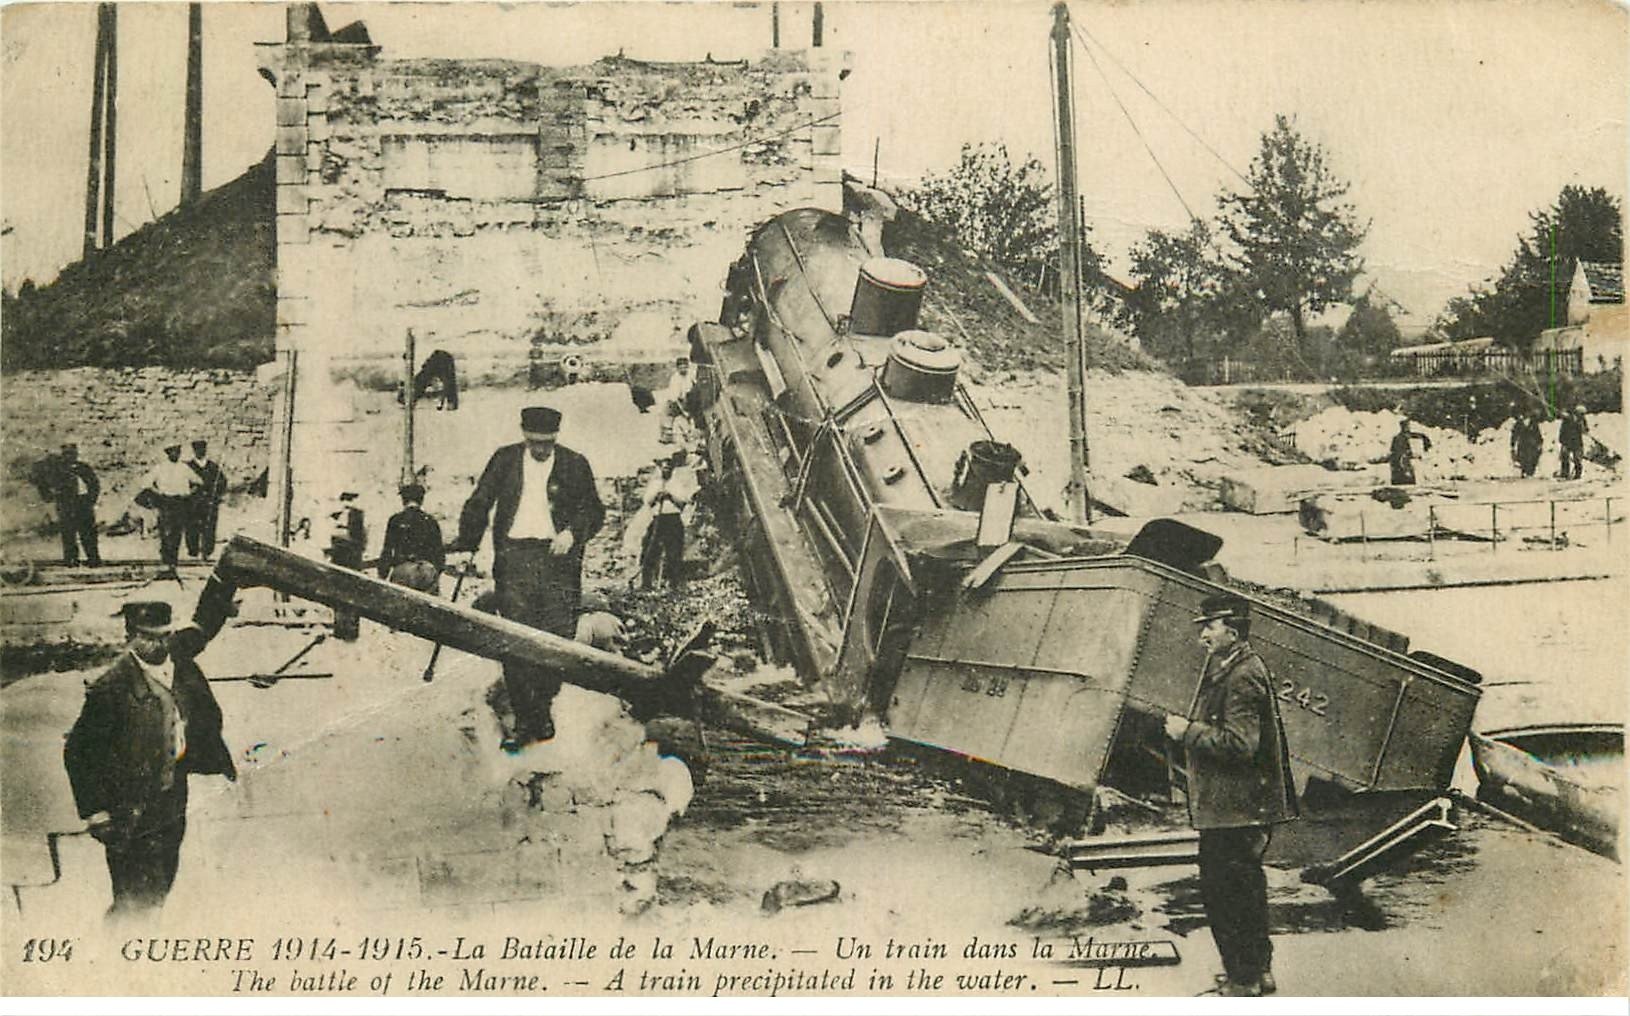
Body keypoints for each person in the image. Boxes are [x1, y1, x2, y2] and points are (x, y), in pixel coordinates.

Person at [63, 599, 236, 917]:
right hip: (128, 804)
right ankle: (121, 940)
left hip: (172, 794)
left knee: (162, 879)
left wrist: (224, 592)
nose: (159, 644)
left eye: (164, 635)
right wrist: (95, 812)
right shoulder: (111, 687)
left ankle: (139, 930)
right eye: (149, 637)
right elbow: (78, 749)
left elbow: (202, 629)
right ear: (131, 636)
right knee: (132, 892)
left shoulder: (179, 658)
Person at [1163, 593, 1297, 997]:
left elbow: (1240, 744)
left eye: (1210, 626)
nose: (1203, 635)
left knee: (1225, 895)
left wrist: (1187, 732)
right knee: (1246, 891)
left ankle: (1243, 981)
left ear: (1233, 631)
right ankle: (1257, 972)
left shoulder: (1241, 675)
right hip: (1238, 808)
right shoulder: (1238, 666)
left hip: (1234, 810)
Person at [453, 406, 605, 747]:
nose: (541, 450)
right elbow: (480, 501)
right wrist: (468, 541)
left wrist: (572, 533)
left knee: (557, 635)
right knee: (515, 637)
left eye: (547, 443)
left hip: (558, 564)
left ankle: (543, 704)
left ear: (555, 438)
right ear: (524, 436)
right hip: (515, 559)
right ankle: (524, 717)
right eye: (535, 443)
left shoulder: (574, 463)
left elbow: (593, 509)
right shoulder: (505, 460)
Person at [140, 444, 201, 575]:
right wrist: (159, 493)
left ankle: (173, 560)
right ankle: (166, 558)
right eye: (174, 452)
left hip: (180, 502)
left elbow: (198, 482)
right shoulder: (160, 468)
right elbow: (146, 484)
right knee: (166, 530)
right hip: (166, 502)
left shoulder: (184, 468)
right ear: (168, 453)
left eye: (178, 452)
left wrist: (189, 493)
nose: (176, 454)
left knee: (177, 532)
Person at [640, 452, 694, 590]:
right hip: (658, 520)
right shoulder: (655, 483)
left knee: (674, 553)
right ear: (660, 468)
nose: (666, 469)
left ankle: (674, 584)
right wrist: (657, 495)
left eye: (669, 467)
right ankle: (646, 583)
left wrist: (670, 495)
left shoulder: (677, 483)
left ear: (673, 468)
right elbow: (647, 501)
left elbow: (684, 501)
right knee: (649, 549)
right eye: (664, 467)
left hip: (673, 519)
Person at [378, 483, 445, 593]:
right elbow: (439, 555)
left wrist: (382, 574)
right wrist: (435, 574)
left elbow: (387, 551)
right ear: (421, 500)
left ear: (403, 500)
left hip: (403, 570)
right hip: (426, 570)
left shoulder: (395, 520)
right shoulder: (431, 521)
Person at [44, 443, 102, 567]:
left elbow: (94, 484)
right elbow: (47, 484)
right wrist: (55, 497)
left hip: (83, 504)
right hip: (67, 504)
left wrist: (90, 500)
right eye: (66, 454)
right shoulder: (58, 470)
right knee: (68, 533)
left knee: (88, 532)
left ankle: (93, 559)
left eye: (72, 454)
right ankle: (71, 560)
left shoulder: (84, 468)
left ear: (76, 455)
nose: (69, 456)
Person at [324, 492, 367, 640]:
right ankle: (342, 628)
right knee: (341, 594)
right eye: (345, 499)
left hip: (350, 560)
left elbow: (361, 539)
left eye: (349, 499)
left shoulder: (356, 515)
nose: (347, 503)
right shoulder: (337, 516)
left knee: (348, 593)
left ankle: (349, 629)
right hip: (342, 559)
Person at [184, 440, 227, 560]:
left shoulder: (213, 466)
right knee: (192, 526)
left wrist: (216, 494)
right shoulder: (188, 466)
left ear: (205, 450)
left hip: (209, 502)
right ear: (194, 451)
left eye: (202, 449)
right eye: (197, 450)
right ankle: (193, 551)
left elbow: (223, 482)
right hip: (192, 502)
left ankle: (207, 551)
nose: (200, 452)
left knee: (209, 526)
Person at [1386, 419, 1431, 486]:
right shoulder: (1400, 437)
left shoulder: (1403, 436)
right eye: (1406, 426)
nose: (1408, 428)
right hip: (1401, 461)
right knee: (1404, 476)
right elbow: (1397, 452)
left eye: (1408, 426)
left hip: (1401, 461)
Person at [1558, 404, 1589, 480]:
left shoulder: (1582, 420)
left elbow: (1585, 430)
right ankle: (1565, 474)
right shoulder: (1568, 419)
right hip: (1567, 441)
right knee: (1565, 457)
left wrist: (1583, 427)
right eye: (1581, 414)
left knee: (1577, 459)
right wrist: (1561, 440)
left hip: (1577, 442)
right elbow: (1562, 430)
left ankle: (1578, 474)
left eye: (1583, 414)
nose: (1583, 416)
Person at [1510, 410, 1542, 478]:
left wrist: (1539, 442)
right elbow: (1514, 434)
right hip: (1523, 442)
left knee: (1531, 457)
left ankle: (1530, 472)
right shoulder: (1519, 423)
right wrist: (1513, 443)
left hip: (1532, 443)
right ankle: (1524, 471)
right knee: (1523, 457)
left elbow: (1537, 433)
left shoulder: (1533, 423)